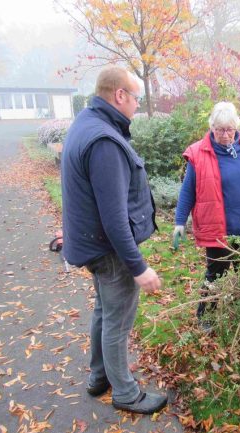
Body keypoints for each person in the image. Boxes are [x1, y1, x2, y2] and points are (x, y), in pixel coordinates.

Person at [61, 65, 167, 414]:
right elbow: (114, 218)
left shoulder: (87, 122)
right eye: (135, 97)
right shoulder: (104, 140)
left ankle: (99, 376)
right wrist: (138, 267)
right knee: (118, 321)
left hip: (93, 245)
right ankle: (125, 393)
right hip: (109, 251)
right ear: (119, 95)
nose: (137, 104)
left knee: (104, 312)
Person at [172, 101, 240, 327]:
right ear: (211, 127)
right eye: (219, 129)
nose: (225, 134)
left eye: (229, 129)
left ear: (236, 127)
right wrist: (179, 222)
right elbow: (187, 190)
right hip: (220, 231)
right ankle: (206, 319)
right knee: (215, 276)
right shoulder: (199, 154)